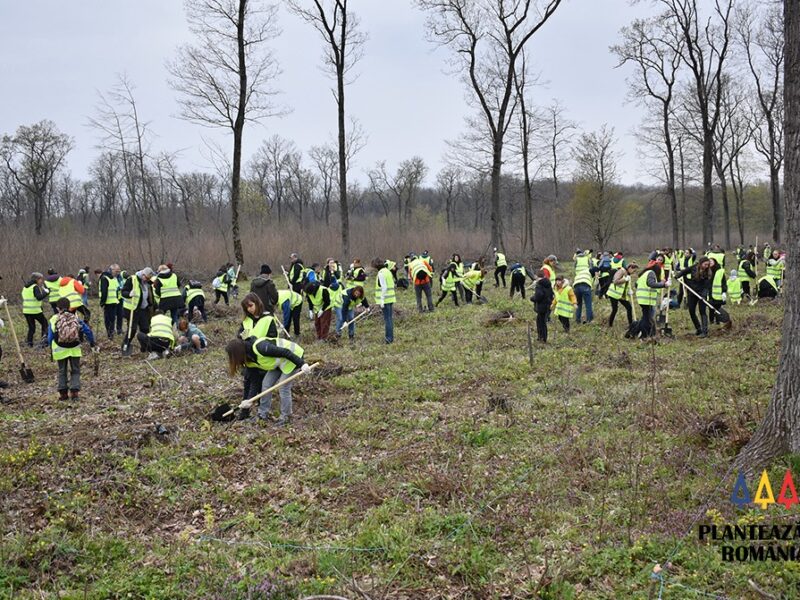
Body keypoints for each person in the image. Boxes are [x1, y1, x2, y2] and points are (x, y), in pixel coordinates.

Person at [225, 336, 311, 425]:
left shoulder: (261, 347)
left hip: (293, 357)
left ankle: (286, 417)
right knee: (266, 384)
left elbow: (285, 352)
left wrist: (302, 364)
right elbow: (255, 382)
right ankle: (262, 414)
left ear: (238, 353)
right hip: (278, 363)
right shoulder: (249, 360)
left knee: (283, 387)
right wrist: (249, 400)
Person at [48, 297, 96, 401]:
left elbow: (50, 337)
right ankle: (74, 393)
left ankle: (63, 394)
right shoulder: (75, 318)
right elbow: (88, 331)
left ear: (57, 308)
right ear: (69, 307)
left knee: (62, 370)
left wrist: (50, 347)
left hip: (59, 349)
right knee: (75, 370)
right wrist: (92, 343)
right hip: (74, 348)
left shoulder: (54, 319)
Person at [674, 255, 710, 337]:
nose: (706, 266)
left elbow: (707, 285)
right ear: (700, 264)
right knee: (691, 311)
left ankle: (705, 331)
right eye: (705, 264)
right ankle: (698, 329)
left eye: (707, 265)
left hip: (701, 294)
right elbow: (684, 271)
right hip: (692, 292)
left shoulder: (708, 272)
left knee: (702, 312)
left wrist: (704, 294)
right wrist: (678, 275)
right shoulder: (694, 268)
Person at [121, 268, 155, 348]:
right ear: (143, 275)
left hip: (143, 309)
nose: (147, 280)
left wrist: (152, 305)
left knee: (145, 328)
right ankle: (126, 344)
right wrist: (129, 294)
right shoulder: (132, 280)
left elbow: (150, 296)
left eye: (149, 278)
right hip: (132, 309)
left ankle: (145, 347)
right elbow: (123, 292)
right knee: (132, 329)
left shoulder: (147, 283)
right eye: (146, 278)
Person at [634, 262, 669, 339]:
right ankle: (643, 334)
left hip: (642, 298)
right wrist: (664, 285)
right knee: (647, 318)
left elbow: (636, 284)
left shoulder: (645, 273)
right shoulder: (651, 273)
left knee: (646, 317)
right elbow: (651, 284)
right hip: (646, 299)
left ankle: (637, 331)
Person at [21, 272, 50, 347]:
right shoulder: (35, 287)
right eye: (41, 279)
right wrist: (46, 293)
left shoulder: (25, 287)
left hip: (26, 311)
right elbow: (39, 297)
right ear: (37, 279)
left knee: (31, 328)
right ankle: (44, 341)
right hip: (35, 311)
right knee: (45, 324)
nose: (42, 281)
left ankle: (29, 343)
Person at [607, 263, 638, 329]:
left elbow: (625, 286)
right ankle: (610, 325)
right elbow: (615, 281)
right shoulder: (621, 271)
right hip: (614, 293)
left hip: (621, 295)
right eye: (634, 270)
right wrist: (625, 279)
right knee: (615, 309)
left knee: (629, 308)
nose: (633, 272)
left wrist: (629, 291)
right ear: (630, 268)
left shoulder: (628, 274)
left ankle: (631, 325)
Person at [373, 258, 396, 344]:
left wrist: (382, 300)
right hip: (391, 298)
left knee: (387, 320)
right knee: (389, 319)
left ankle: (388, 339)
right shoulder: (387, 271)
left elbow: (384, 287)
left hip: (385, 300)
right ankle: (391, 338)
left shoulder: (381, 273)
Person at [99, 264, 124, 339]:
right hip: (108, 302)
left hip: (114, 302)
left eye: (119, 271)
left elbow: (117, 290)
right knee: (109, 320)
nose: (118, 272)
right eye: (116, 271)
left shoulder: (114, 278)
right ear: (111, 270)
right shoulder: (104, 278)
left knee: (111, 320)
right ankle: (110, 334)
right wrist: (102, 302)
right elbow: (104, 292)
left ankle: (111, 335)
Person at [573, 250, 597, 324]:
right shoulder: (590, 272)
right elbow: (593, 284)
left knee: (579, 304)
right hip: (585, 286)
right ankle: (589, 320)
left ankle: (577, 320)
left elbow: (574, 267)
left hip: (576, 286)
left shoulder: (581, 272)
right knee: (588, 304)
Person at [708, 259, 732, 329]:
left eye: (711, 261)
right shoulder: (707, 271)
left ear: (715, 262)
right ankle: (711, 321)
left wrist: (724, 292)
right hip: (709, 293)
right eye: (709, 262)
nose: (710, 263)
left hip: (718, 294)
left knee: (718, 308)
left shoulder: (720, 271)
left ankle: (718, 321)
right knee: (711, 308)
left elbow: (723, 282)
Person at [531, 270, 554, 343]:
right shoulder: (548, 283)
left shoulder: (539, 285)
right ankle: (543, 337)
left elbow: (539, 296)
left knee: (540, 323)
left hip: (541, 306)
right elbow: (551, 294)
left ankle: (542, 338)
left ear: (536, 276)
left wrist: (533, 298)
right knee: (543, 322)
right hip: (548, 305)